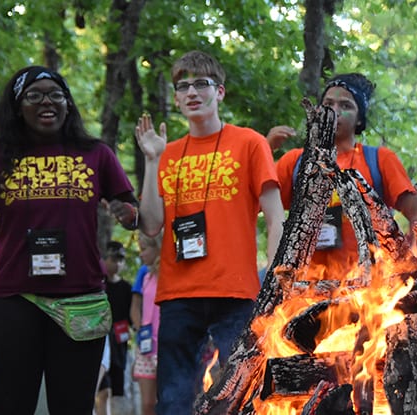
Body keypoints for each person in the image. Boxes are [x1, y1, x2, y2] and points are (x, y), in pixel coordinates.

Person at [0, 66, 139, 414]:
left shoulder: (96, 153)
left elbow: (132, 212)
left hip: (82, 302)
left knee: (73, 407)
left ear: (68, 104)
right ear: (18, 106)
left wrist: (126, 212)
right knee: (11, 406)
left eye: (55, 94)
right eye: (34, 95)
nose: (47, 101)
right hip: (15, 300)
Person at [135, 50, 285, 414]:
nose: (191, 93)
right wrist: (152, 161)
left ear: (219, 92)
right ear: (175, 98)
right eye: (183, 86)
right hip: (178, 297)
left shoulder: (250, 143)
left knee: (242, 396)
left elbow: (275, 216)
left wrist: (279, 281)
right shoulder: (166, 154)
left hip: (235, 292)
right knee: (173, 400)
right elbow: (152, 224)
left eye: (201, 84)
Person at [273, 72, 417, 278]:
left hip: (367, 291)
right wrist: (265, 148)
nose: (334, 111)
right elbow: (251, 202)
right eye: (328, 103)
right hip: (305, 289)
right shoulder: (295, 162)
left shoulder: (379, 159)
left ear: (360, 118)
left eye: (345, 105)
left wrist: (406, 262)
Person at [95, 241, 133, 415]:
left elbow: (132, 318)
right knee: (103, 390)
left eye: (120, 260)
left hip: (119, 347)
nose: (117, 264)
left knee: (112, 392)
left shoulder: (126, 289)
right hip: (99, 343)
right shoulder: (97, 286)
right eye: (113, 259)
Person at [132, 232, 162, 415]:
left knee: (170, 396)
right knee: (148, 403)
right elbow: (135, 306)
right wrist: (140, 328)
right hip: (146, 345)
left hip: (167, 343)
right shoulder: (143, 273)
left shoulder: (172, 272)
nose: (141, 254)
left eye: (144, 249)